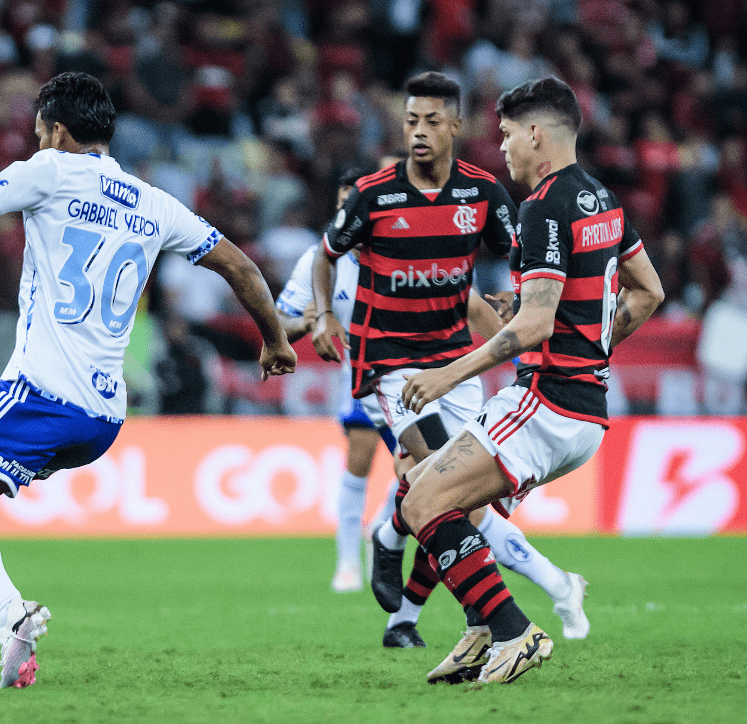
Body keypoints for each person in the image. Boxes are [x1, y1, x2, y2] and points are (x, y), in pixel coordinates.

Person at [0, 73, 297, 689]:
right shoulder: (153, 202)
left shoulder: (50, 170)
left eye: (40, 132)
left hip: (40, 392)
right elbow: (240, 266)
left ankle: (12, 617)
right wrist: (275, 341)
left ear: (57, 131)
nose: (39, 142)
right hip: (103, 415)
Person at [391, 77, 664, 686]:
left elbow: (538, 323)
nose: (503, 147)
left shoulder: (543, 206)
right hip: (584, 408)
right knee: (444, 498)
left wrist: (447, 374)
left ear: (536, 134)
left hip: (545, 402)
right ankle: (481, 630)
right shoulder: (602, 199)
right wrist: (589, 348)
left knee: (420, 502)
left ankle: (513, 631)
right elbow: (649, 291)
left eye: (508, 134)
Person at [313, 72, 588, 650]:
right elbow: (326, 253)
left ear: (456, 126)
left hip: (455, 363)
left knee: (449, 494)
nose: (418, 131)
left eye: (432, 121)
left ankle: (395, 554)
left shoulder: (482, 194)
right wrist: (324, 316)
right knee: (442, 476)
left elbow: (519, 255)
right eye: (411, 121)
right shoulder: (374, 194)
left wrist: (516, 293)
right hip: (391, 365)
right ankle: (518, 607)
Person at [276, 165, 396, 596]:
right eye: (342, 205)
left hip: (414, 375)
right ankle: (347, 564)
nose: (349, 214)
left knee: (421, 471)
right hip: (361, 378)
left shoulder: (400, 249)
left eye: (356, 204)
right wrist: (304, 322)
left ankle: (382, 526)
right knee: (359, 459)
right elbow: (279, 323)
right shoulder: (320, 259)